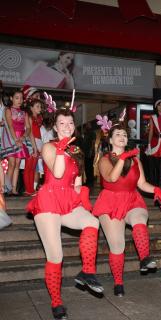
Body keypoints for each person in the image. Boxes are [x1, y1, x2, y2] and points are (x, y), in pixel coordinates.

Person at [26, 107, 103, 320]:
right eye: (62, 123)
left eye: (70, 123)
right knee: (56, 256)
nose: (67, 127)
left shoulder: (76, 151)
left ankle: (87, 271)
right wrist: (61, 149)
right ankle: (56, 301)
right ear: (55, 126)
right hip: (49, 200)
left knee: (92, 223)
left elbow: (77, 183)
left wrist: (83, 199)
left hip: (68, 200)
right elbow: (58, 173)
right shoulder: (49, 147)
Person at [92, 115, 161, 296]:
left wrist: (156, 190)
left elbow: (142, 184)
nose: (122, 137)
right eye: (118, 134)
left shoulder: (135, 160)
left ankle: (145, 258)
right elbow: (112, 178)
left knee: (139, 219)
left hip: (132, 199)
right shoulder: (104, 159)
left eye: (124, 134)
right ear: (110, 139)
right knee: (117, 246)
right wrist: (123, 158)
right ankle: (118, 282)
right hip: (110, 201)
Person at [2, 90, 34, 195]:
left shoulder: (24, 112)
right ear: (11, 98)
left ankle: (14, 189)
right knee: (11, 163)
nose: (19, 100)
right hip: (10, 138)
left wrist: (23, 137)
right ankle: (6, 188)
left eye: (21, 98)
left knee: (17, 164)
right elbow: (10, 126)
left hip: (21, 138)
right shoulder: (8, 110)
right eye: (17, 98)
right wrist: (15, 139)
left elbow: (28, 128)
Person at [146, 99, 161, 188]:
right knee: (154, 165)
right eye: (159, 105)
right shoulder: (152, 117)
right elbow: (151, 131)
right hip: (155, 142)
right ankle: (154, 185)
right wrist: (149, 144)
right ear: (156, 106)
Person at [24, 98, 44, 195]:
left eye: (40, 106)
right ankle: (28, 189)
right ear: (31, 108)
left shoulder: (38, 118)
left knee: (33, 168)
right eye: (37, 106)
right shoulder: (29, 117)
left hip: (38, 142)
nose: (40, 108)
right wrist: (34, 146)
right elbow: (30, 132)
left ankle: (31, 189)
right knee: (29, 167)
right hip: (32, 142)